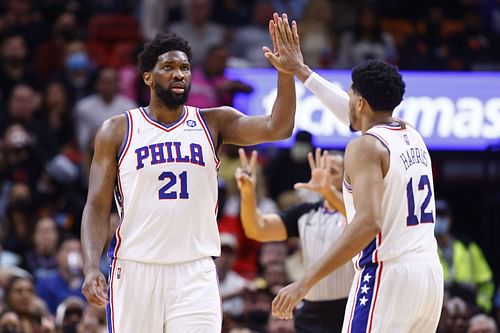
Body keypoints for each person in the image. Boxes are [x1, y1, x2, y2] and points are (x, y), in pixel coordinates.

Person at [80, 28, 297, 333]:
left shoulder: (214, 121)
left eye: (184, 68)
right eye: (168, 67)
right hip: (135, 268)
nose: (178, 74)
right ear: (148, 77)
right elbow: (96, 207)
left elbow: (278, 128)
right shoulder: (117, 130)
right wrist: (91, 267)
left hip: (194, 271)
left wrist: (286, 75)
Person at [267, 14, 443, 332]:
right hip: (428, 277)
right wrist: (302, 72)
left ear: (360, 102)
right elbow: (352, 116)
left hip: (387, 274)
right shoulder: (410, 133)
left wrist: (304, 282)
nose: (346, 99)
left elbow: (368, 222)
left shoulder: (364, 148)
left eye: (350, 94)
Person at [235, 147, 354, 333]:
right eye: (322, 170)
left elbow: (361, 221)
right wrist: (248, 193)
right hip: (311, 311)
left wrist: (329, 191)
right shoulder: (305, 213)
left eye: (333, 172)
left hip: (348, 309)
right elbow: (257, 229)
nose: (325, 176)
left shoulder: (359, 212)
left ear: (348, 178)